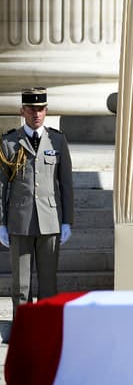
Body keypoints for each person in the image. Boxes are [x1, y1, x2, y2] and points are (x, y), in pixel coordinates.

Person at [0, 87, 74, 318]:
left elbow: (66, 184)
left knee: (49, 284)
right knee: (21, 286)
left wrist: (67, 221)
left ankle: (47, 326)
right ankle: (22, 328)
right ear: (23, 111)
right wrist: (1, 223)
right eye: (31, 109)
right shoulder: (10, 142)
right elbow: (1, 186)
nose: (36, 114)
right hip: (19, 221)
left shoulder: (57, 140)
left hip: (50, 220)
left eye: (40, 109)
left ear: (46, 111)